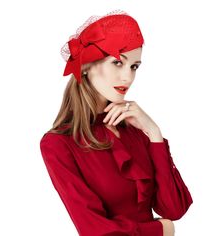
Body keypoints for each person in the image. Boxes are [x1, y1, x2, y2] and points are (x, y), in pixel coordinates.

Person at [39, 9, 193, 236]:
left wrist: (154, 134)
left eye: (134, 66)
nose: (128, 78)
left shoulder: (136, 131)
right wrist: (160, 231)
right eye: (118, 63)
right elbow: (93, 230)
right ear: (86, 66)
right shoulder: (58, 144)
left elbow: (173, 208)